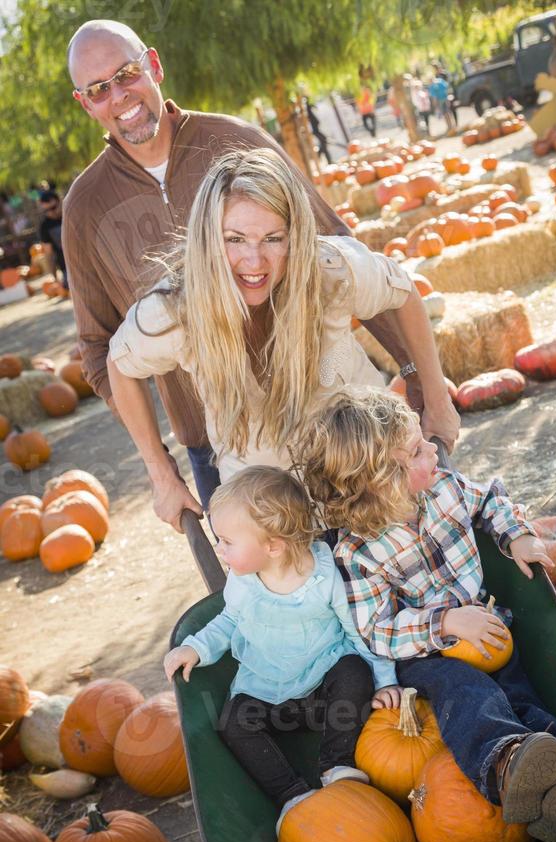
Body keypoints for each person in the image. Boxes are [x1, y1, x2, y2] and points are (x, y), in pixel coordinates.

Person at [63, 21, 458, 520]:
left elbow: (338, 253)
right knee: (278, 584)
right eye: (99, 89)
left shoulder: (236, 142)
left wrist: (417, 377)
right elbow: (103, 352)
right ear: (86, 103)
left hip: (332, 417)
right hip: (219, 446)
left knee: (395, 552)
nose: (119, 95)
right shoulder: (85, 208)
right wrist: (160, 469)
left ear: (154, 66)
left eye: (126, 74)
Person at [301, 389, 556, 842]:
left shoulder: (446, 488)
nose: (434, 449)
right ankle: (501, 765)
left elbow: (490, 501)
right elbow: (378, 630)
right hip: (427, 655)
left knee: (522, 700)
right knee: (469, 695)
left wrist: (515, 536)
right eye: (418, 449)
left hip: (488, 628)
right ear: (384, 481)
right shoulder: (357, 553)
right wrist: (445, 623)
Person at [107, 148, 454, 531]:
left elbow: (403, 291)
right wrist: (161, 475)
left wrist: (437, 398)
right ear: (208, 239)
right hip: (276, 517)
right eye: (235, 239)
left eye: (273, 238)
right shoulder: (175, 311)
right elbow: (120, 366)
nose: (254, 262)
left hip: (373, 487)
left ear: (296, 236)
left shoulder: (330, 271)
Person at [163, 466, 396, 833]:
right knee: (233, 723)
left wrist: (385, 681)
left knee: (353, 671)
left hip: (325, 692)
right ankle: (291, 793)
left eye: (226, 541)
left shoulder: (325, 574)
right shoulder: (242, 583)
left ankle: (336, 764)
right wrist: (195, 647)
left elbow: (358, 633)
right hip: (268, 693)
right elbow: (228, 621)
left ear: (272, 545)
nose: (220, 549)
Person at [38, 191, 69, 293]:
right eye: (46, 210)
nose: (50, 212)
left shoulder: (70, 215)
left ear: (59, 201)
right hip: (67, 269)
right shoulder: (45, 226)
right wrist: (55, 278)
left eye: (53, 208)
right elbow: (49, 254)